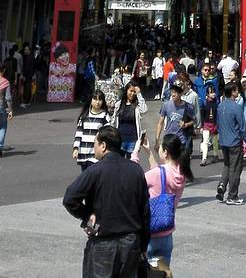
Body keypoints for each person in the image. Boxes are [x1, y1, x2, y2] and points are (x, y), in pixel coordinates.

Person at [63, 125, 150, 278]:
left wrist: (87, 214)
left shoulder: (94, 171)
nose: (94, 148)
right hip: (131, 243)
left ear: (103, 146)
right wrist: (143, 245)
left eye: (95, 143)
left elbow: (70, 198)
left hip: (103, 243)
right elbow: (145, 212)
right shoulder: (136, 170)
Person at [134, 132, 193, 266]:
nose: (159, 149)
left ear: (165, 152)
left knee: (144, 272)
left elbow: (134, 180)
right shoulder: (182, 173)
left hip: (150, 233)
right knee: (162, 272)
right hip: (167, 233)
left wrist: (135, 152)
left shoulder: (158, 173)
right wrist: (149, 152)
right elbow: (160, 175)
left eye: (160, 147)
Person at [216, 82, 246, 204]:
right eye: (236, 90)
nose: (238, 92)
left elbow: (218, 124)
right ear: (232, 92)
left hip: (223, 141)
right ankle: (232, 196)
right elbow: (242, 127)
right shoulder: (236, 107)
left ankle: (222, 185)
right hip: (234, 142)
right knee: (235, 169)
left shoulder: (220, 106)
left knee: (227, 165)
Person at [72, 91, 111, 170]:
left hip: (96, 153)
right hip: (83, 152)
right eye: (95, 99)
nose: (97, 102)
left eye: (100, 99)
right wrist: (76, 148)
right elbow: (79, 133)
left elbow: (107, 135)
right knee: (86, 176)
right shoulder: (84, 116)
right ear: (90, 100)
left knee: (95, 175)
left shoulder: (105, 116)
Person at [155, 82, 194, 151]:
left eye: (176, 92)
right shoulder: (166, 105)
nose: (173, 94)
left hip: (181, 140)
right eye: (172, 91)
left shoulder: (188, 106)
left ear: (181, 93)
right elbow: (160, 123)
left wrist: (186, 125)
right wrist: (157, 140)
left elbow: (194, 120)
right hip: (168, 139)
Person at [112, 82, 147, 158]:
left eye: (134, 92)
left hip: (133, 140)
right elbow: (113, 121)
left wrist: (139, 94)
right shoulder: (119, 104)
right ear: (126, 91)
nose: (132, 93)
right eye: (131, 91)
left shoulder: (137, 106)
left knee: (131, 162)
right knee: (119, 162)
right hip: (120, 139)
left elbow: (144, 110)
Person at [200, 83, 219, 165]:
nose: (213, 94)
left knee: (215, 142)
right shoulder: (204, 103)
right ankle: (204, 158)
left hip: (215, 124)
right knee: (205, 141)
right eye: (211, 92)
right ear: (207, 94)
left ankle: (215, 155)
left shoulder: (217, 102)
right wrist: (201, 126)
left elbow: (218, 114)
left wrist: (218, 124)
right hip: (206, 124)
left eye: (214, 92)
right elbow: (202, 115)